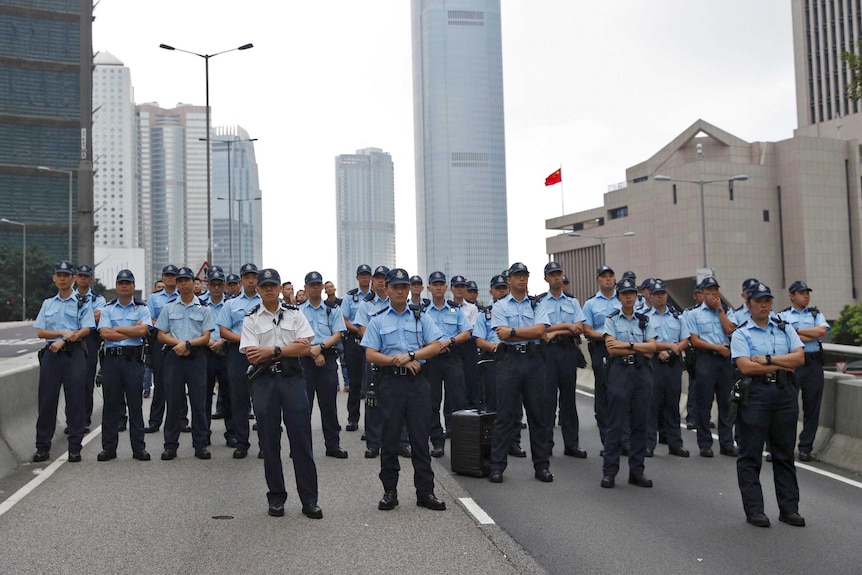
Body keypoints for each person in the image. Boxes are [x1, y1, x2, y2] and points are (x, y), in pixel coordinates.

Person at [361, 268, 447, 512]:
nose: (400, 290)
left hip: (417, 383)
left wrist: (411, 355)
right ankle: (390, 492)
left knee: (420, 438)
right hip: (390, 383)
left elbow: (436, 346)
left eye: (403, 286)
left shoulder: (421, 316)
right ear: (386, 289)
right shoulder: (378, 319)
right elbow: (370, 354)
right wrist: (397, 361)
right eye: (395, 286)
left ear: (409, 289)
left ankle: (425, 492)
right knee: (389, 439)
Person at [240, 268, 322, 519]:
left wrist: (273, 351)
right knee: (269, 441)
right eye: (263, 285)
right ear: (258, 289)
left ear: (278, 288)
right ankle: (276, 497)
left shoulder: (295, 314)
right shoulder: (251, 318)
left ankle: (309, 500)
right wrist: (287, 348)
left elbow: (305, 347)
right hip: (265, 383)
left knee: (301, 441)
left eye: (272, 285)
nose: (268, 289)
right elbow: (252, 353)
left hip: (292, 379)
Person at [730, 282, 805, 527]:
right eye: (759, 300)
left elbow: (800, 357)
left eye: (767, 300)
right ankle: (755, 510)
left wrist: (769, 360)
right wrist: (783, 364)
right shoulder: (741, 332)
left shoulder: (784, 328)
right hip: (756, 394)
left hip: (784, 393)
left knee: (784, 454)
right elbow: (746, 366)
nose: (764, 305)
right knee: (750, 453)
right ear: (748, 303)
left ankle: (789, 509)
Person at [488, 262, 553, 484]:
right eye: (517, 276)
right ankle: (497, 466)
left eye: (524, 275)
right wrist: (524, 334)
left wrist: (514, 331)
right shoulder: (500, 306)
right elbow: (502, 336)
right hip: (509, 361)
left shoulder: (536, 304)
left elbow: (541, 330)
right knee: (505, 415)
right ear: (509, 280)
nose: (521, 279)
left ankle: (542, 466)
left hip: (534, 362)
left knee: (538, 416)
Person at [32, 260, 96, 463]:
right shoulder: (48, 304)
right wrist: (61, 333)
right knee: (47, 402)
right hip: (51, 355)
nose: (62, 278)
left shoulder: (83, 302)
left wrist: (65, 340)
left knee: (75, 401)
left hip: (74, 354)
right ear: (54, 278)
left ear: (73, 279)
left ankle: (75, 448)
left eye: (66, 275)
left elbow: (87, 329)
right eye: (58, 275)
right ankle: (42, 447)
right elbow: (41, 332)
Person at [601, 277, 657, 488]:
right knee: (615, 424)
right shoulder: (612, 319)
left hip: (642, 372)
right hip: (620, 372)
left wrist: (628, 344)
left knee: (640, 424)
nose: (628, 297)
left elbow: (652, 349)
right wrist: (638, 346)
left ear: (636, 296)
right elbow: (612, 349)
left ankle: (637, 471)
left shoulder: (644, 320)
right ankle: (609, 472)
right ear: (619, 297)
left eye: (632, 293)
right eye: (624, 294)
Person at [154, 266, 214, 460]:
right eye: (179, 281)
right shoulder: (169, 307)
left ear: (192, 282)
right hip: (174, 357)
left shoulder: (204, 308)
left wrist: (188, 343)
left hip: (196, 357)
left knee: (198, 403)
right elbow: (161, 334)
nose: (183, 283)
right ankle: (170, 446)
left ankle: (200, 445)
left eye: (186, 280)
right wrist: (179, 344)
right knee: (173, 402)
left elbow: (206, 337)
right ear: (177, 284)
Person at [97, 269, 151, 461]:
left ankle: (138, 448)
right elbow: (104, 334)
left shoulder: (142, 308)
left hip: (133, 361)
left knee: (135, 405)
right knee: (110, 405)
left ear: (133, 286)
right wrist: (131, 330)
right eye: (121, 283)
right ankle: (109, 449)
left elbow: (143, 331)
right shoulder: (108, 309)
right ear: (117, 286)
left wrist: (117, 328)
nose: (124, 286)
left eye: (128, 283)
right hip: (111, 360)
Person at [538, 261, 587, 458]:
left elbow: (579, 328)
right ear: (546, 279)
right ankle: (546, 444)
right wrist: (566, 325)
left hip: (567, 351)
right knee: (548, 400)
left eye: (559, 274)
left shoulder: (572, 301)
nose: (557, 277)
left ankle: (571, 444)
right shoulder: (539, 302)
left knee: (569, 400)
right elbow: (541, 328)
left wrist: (558, 328)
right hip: (548, 353)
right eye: (553, 274)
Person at [686, 276, 738, 458]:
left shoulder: (727, 312)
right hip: (705, 359)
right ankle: (705, 443)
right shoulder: (694, 314)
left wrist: (719, 310)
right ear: (702, 294)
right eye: (709, 292)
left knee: (726, 403)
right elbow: (694, 340)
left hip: (724, 362)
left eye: (715, 291)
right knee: (704, 403)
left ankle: (726, 443)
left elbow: (731, 330)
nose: (713, 295)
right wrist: (717, 347)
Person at [778, 281, 830, 462]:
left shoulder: (815, 314)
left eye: (807, 293)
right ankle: (782, 446)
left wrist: (797, 331)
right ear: (792, 296)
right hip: (793, 362)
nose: (806, 296)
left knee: (812, 408)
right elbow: (784, 336)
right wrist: (808, 334)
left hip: (813, 363)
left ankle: (805, 447)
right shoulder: (782, 315)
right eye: (801, 293)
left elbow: (822, 331)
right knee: (787, 407)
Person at [473, 275, 524, 456]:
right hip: (492, 360)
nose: (502, 290)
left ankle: (514, 442)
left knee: (516, 404)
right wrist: (494, 347)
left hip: (514, 358)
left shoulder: (517, 310)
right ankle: (496, 442)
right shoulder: (485, 314)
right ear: (491, 291)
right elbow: (479, 339)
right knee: (495, 403)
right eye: (498, 288)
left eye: (504, 287)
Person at [299, 271, 348, 458]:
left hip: (327, 359)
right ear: (305, 287)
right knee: (304, 406)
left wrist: (320, 348)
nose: (315, 288)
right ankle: (303, 448)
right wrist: (313, 353)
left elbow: (337, 334)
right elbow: (296, 336)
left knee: (329, 405)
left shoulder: (332, 309)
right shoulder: (298, 310)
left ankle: (333, 445)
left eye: (318, 284)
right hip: (304, 360)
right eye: (311, 285)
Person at [424, 271, 471, 458]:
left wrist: (450, 341)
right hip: (432, 360)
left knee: (457, 401)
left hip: (452, 359)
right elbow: (417, 334)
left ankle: (460, 444)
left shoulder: (455, 309)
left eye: (441, 284)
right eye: (434, 284)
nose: (437, 287)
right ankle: (437, 441)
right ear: (429, 288)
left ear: (446, 288)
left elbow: (467, 332)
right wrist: (434, 345)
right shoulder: (422, 310)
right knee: (432, 402)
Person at [220, 263, 261, 459]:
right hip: (238, 354)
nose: (251, 280)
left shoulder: (268, 302)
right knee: (239, 400)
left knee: (263, 400)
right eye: (247, 277)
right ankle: (242, 443)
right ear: (241, 280)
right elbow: (224, 331)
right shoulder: (231, 304)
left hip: (263, 354)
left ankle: (265, 443)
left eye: (254, 277)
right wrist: (245, 341)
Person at [645, 280, 690, 458]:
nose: (660, 296)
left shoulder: (677, 317)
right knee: (652, 404)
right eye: (656, 294)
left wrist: (674, 350)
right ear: (651, 297)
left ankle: (675, 444)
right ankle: (648, 444)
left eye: (663, 293)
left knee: (673, 403)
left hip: (673, 363)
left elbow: (685, 339)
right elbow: (646, 341)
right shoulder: (646, 317)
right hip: (653, 362)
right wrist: (664, 348)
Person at [582, 266, 622, 448]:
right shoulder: (591, 304)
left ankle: (625, 439)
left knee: (623, 394)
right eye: (603, 276)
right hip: (601, 349)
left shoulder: (624, 300)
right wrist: (607, 336)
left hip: (623, 349)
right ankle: (608, 442)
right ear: (598, 280)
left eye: (611, 276)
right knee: (604, 394)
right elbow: (587, 331)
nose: (608, 279)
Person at [144, 265, 180, 434]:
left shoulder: (184, 296)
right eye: (167, 275)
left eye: (173, 275)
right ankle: (154, 421)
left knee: (180, 382)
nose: (170, 278)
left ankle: (182, 420)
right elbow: (150, 319)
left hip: (180, 340)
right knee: (159, 382)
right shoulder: (154, 298)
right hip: (160, 340)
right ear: (163, 278)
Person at [74, 264, 106, 433]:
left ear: (90, 278)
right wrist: (86, 318)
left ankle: (85, 419)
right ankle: (72, 419)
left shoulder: (97, 298)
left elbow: (98, 316)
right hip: (70, 341)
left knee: (87, 381)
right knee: (72, 383)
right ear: (76, 278)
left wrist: (75, 318)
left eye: (86, 276)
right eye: (80, 276)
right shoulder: (68, 296)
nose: (83, 279)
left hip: (89, 342)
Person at [204, 268, 234, 447]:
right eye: (213, 284)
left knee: (229, 395)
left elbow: (236, 327)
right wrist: (208, 342)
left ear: (224, 285)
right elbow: (195, 327)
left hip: (226, 351)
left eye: (219, 284)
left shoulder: (231, 304)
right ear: (208, 284)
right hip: (205, 351)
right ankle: (203, 433)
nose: (216, 287)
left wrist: (222, 341)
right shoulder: (199, 303)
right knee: (204, 395)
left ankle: (231, 433)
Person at [342, 264, 373, 432]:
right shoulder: (350, 297)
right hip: (354, 341)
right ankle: (353, 419)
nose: (364, 278)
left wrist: (367, 333)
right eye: (362, 275)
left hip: (371, 342)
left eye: (367, 275)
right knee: (355, 383)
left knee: (371, 383)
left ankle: (371, 423)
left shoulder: (375, 297)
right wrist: (360, 330)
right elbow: (344, 320)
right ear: (357, 277)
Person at [450, 274, 480, 408]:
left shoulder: (472, 308)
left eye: (462, 286)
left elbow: (472, 329)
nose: (459, 289)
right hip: (452, 347)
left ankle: (472, 420)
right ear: (451, 288)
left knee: (471, 383)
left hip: (468, 346)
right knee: (455, 386)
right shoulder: (447, 307)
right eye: (457, 286)